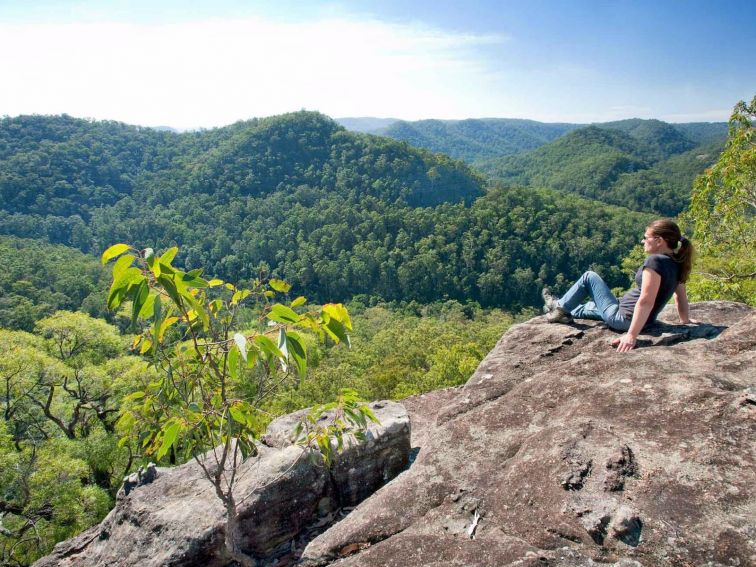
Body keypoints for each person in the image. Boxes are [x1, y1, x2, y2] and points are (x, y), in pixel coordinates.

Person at [542, 219, 698, 353]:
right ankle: (559, 307)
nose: (643, 241)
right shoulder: (677, 262)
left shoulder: (655, 261)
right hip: (637, 317)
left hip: (624, 318)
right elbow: (680, 296)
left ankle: (559, 308)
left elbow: (646, 301)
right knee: (587, 307)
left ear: (659, 241)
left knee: (589, 277)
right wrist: (685, 321)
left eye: (646, 237)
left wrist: (631, 335)